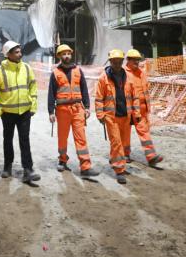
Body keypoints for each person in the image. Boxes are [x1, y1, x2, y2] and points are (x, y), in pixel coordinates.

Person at [0, 40, 40, 184]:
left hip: (24, 111)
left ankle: (28, 169)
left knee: (25, 140)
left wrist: (33, 105)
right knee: (8, 139)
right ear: (8, 54)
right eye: (16, 52)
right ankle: (7, 166)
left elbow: (33, 86)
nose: (20, 54)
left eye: (20, 51)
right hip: (7, 112)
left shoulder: (26, 68)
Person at [48, 44, 99, 178]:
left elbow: (84, 90)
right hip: (62, 110)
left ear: (71, 55)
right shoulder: (55, 73)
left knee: (81, 138)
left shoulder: (78, 70)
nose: (66, 56)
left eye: (68, 54)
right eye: (63, 54)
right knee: (62, 137)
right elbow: (51, 94)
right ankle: (62, 160)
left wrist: (87, 107)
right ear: (59, 56)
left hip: (77, 109)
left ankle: (85, 166)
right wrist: (50, 112)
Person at [94, 49, 139, 184]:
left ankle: (115, 158)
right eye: (114, 61)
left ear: (122, 61)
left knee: (124, 143)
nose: (117, 64)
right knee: (116, 142)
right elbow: (98, 98)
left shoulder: (129, 77)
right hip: (111, 117)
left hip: (126, 116)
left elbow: (134, 96)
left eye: (119, 61)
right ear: (111, 62)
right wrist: (100, 114)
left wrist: (136, 113)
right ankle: (119, 170)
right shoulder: (104, 78)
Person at [125, 49, 164, 166]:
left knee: (144, 132)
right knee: (125, 133)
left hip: (141, 108)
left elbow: (145, 90)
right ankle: (124, 154)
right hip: (128, 109)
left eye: (138, 60)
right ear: (128, 60)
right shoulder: (123, 73)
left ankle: (151, 157)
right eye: (134, 60)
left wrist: (147, 107)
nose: (137, 62)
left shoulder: (141, 73)